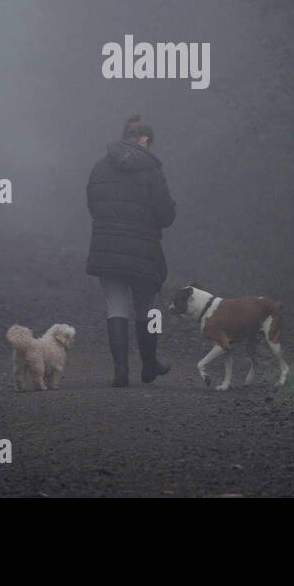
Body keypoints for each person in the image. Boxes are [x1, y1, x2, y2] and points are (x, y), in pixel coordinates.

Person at [85, 114, 176, 387]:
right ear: (145, 140)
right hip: (143, 250)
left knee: (116, 306)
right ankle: (149, 365)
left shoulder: (100, 167)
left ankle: (120, 371)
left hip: (108, 248)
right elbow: (165, 216)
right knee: (146, 307)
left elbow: (93, 206)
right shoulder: (152, 170)